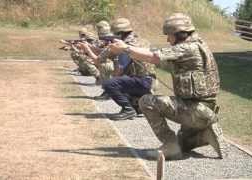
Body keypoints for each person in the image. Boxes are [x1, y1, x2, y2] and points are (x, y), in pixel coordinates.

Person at [108, 13, 224, 160]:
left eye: (169, 35)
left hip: (196, 111)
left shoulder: (186, 48)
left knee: (147, 101)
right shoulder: (199, 45)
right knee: (183, 142)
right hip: (203, 110)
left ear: (179, 34)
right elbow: (159, 58)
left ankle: (170, 146)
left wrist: (126, 49)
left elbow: (154, 56)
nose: (168, 39)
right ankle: (205, 134)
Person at [81, 18, 156, 120]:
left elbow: (101, 62)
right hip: (151, 82)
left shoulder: (124, 46)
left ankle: (128, 109)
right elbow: (102, 53)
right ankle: (136, 104)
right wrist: (89, 47)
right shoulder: (142, 41)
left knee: (110, 84)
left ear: (119, 33)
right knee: (121, 79)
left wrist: (87, 49)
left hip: (141, 82)